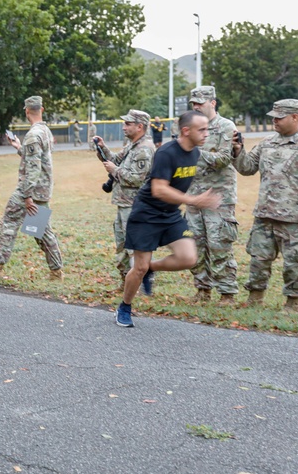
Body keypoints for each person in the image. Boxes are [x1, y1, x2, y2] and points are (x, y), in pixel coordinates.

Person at [115, 110, 220, 327]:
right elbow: (159, 190)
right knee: (139, 268)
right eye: (201, 129)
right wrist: (193, 200)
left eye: (207, 129)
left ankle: (152, 268)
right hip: (146, 214)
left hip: (170, 214)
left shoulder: (195, 153)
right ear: (185, 130)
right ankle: (125, 306)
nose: (206, 133)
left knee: (188, 258)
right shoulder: (166, 153)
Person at [232, 99, 298, 312]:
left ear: (295, 117)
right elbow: (248, 168)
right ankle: (255, 298)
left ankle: (292, 304)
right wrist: (238, 150)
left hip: (296, 220)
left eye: (279, 117)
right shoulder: (268, 142)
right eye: (273, 117)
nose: (274, 121)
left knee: (296, 264)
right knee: (259, 260)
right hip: (265, 216)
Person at [0, 96, 64, 279]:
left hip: (30, 190)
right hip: (42, 189)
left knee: (9, 221)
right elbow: (38, 159)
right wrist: (19, 147)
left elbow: (33, 168)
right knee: (39, 230)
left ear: (26, 111)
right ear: (42, 109)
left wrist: (27, 196)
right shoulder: (45, 131)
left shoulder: (33, 135)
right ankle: (56, 271)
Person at [185, 87, 239, 304]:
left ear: (213, 103)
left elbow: (224, 159)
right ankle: (202, 289)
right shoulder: (189, 127)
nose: (196, 107)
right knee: (195, 244)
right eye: (193, 104)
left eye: (200, 103)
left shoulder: (225, 126)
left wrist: (194, 151)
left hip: (219, 197)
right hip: (193, 195)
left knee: (219, 244)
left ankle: (227, 293)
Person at [92, 109, 155, 289]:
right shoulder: (132, 145)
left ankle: (141, 285)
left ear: (140, 126)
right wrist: (102, 148)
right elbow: (114, 160)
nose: (123, 126)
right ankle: (126, 283)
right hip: (124, 204)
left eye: (128, 124)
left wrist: (114, 170)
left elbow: (137, 178)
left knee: (135, 249)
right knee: (122, 246)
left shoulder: (144, 149)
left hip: (136, 206)